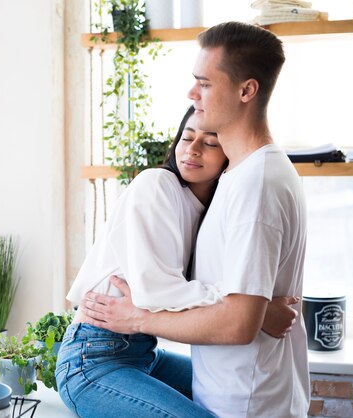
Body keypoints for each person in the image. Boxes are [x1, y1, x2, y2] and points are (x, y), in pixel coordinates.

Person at [80, 21, 310, 418]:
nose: (191, 94)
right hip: (233, 390)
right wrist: (255, 312)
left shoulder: (256, 183)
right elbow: (240, 304)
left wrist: (139, 317)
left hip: (248, 402)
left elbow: (238, 323)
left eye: (204, 83)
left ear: (246, 90)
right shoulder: (242, 177)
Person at [56, 105, 295, 417]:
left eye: (209, 143)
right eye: (186, 138)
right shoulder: (157, 185)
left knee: (226, 390)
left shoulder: (211, 210)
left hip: (144, 353)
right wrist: (255, 309)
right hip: (94, 357)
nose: (193, 150)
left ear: (229, 154)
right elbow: (156, 295)